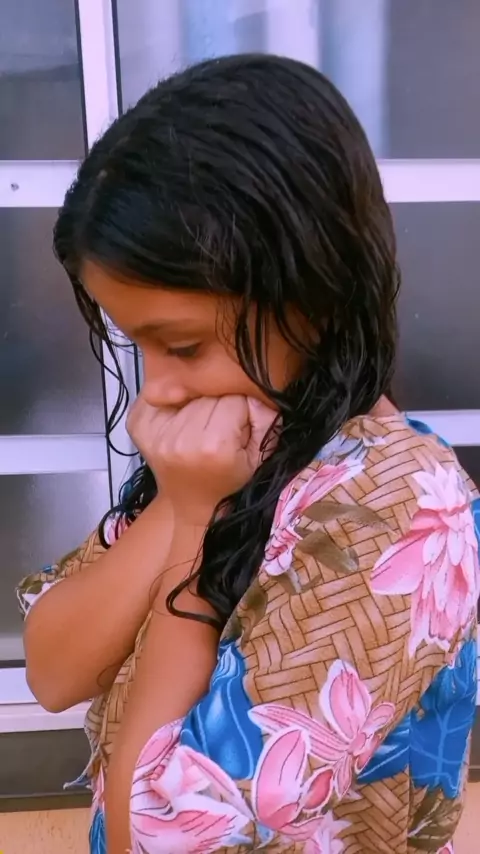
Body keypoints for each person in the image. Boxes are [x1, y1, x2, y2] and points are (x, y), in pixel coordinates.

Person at [17, 54, 479, 854]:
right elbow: (54, 670)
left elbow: (155, 835)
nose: (158, 390)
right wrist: (183, 504)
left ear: (312, 291)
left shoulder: (398, 508)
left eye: (183, 346)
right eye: (137, 347)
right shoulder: (236, 449)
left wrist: (196, 530)